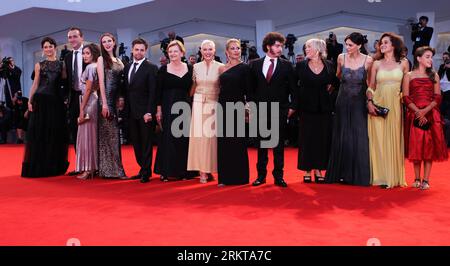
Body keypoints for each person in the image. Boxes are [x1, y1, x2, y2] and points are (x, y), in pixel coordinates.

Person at [248, 32, 297, 188]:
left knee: (278, 146)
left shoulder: (287, 65)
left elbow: (294, 89)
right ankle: (261, 176)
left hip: (280, 110)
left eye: (281, 45)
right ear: (268, 46)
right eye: (277, 45)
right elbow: (251, 89)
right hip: (260, 109)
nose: (280, 48)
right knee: (261, 146)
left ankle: (279, 176)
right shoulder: (254, 64)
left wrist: (292, 107)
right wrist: (250, 106)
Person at [325, 32, 374, 186]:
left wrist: (369, 101)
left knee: (359, 136)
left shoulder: (369, 60)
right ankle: (340, 173)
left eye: (350, 45)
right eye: (346, 44)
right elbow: (338, 76)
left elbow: (370, 84)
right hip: (342, 100)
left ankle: (358, 175)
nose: (347, 47)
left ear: (359, 45)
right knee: (342, 135)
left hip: (359, 102)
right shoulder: (341, 57)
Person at [366, 32, 410, 188]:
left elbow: (406, 90)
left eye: (385, 42)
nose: (381, 45)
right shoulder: (376, 64)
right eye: (381, 43)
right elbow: (371, 86)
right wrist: (370, 101)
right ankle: (381, 177)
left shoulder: (404, 63)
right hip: (378, 105)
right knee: (378, 140)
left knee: (393, 139)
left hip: (395, 106)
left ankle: (393, 177)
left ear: (393, 45)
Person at [21, 37, 69, 177]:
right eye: (45, 47)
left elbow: (65, 84)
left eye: (50, 46)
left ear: (55, 47)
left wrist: (65, 99)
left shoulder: (62, 65)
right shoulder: (39, 65)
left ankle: (53, 165)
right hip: (40, 101)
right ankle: (39, 166)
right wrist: (29, 101)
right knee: (40, 134)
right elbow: (35, 84)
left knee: (54, 133)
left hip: (56, 102)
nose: (48, 49)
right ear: (43, 49)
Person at [403, 46, 448, 190]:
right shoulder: (408, 76)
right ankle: (416, 178)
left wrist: (425, 111)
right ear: (418, 58)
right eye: (427, 56)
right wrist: (418, 112)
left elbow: (438, 97)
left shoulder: (434, 75)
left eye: (431, 57)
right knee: (416, 147)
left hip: (430, 115)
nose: (430, 59)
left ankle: (426, 180)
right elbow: (406, 97)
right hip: (414, 114)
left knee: (429, 147)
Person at [154, 40, 197, 182]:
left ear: (182, 53)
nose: (172, 54)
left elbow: (192, 90)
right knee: (168, 139)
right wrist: (158, 110)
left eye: (175, 51)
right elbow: (158, 92)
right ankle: (166, 171)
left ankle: (185, 171)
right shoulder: (162, 70)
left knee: (184, 139)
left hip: (185, 106)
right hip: (167, 106)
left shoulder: (191, 69)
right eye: (170, 51)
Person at [296, 38, 335, 183]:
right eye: (305, 48)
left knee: (322, 139)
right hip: (306, 108)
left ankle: (319, 169)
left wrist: (329, 95)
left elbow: (334, 83)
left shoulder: (329, 65)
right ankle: (307, 169)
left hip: (324, 108)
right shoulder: (300, 66)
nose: (306, 50)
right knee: (307, 139)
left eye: (309, 47)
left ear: (318, 49)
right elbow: (294, 86)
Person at [187, 40, 224, 183]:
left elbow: (223, 87)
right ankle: (202, 171)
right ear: (200, 51)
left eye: (210, 49)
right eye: (205, 49)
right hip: (198, 104)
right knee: (199, 139)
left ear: (214, 51)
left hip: (214, 104)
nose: (207, 52)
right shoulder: (195, 67)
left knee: (211, 140)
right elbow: (192, 88)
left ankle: (210, 169)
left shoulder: (221, 67)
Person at [123, 37, 158, 183]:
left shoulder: (151, 68)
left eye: (141, 50)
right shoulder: (127, 66)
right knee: (136, 143)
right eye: (136, 49)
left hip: (144, 112)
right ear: (132, 50)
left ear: (145, 51)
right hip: (130, 111)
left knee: (146, 143)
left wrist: (150, 112)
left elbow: (153, 92)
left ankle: (146, 171)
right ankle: (142, 167)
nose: (138, 52)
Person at [217, 39, 251, 186]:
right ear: (227, 51)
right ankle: (225, 178)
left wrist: (247, 109)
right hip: (223, 107)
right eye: (233, 48)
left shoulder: (245, 68)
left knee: (237, 143)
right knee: (224, 143)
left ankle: (240, 177)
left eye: (238, 48)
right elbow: (219, 89)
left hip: (238, 107)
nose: (236, 50)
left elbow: (249, 91)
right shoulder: (221, 69)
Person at [97, 33, 126, 179]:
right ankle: (113, 171)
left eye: (109, 41)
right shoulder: (102, 59)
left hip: (116, 101)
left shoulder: (119, 61)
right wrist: (104, 103)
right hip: (106, 101)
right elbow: (101, 83)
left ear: (114, 43)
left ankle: (112, 170)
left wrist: (120, 99)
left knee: (114, 137)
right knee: (110, 136)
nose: (107, 44)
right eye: (104, 42)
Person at [75, 44, 101, 180]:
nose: (85, 56)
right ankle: (92, 168)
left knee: (87, 136)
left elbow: (88, 90)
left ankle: (88, 168)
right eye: (83, 53)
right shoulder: (97, 66)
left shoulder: (91, 67)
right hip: (93, 101)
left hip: (89, 102)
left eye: (87, 53)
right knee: (91, 135)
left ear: (94, 54)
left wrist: (81, 109)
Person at [64, 27, 87, 175]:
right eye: (70, 37)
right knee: (75, 130)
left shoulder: (90, 52)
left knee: (89, 131)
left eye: (74, 36)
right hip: (73, 98)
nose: (72, 40)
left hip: (89, 96)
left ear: (81, 37)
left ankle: (91, 165)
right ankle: (79, 165)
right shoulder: (67, 57)